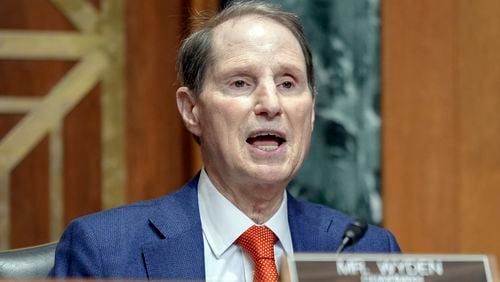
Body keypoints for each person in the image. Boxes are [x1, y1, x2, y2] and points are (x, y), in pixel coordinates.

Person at [50, 1, 400, 280]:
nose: (271, 104)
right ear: (192, 110)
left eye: (288, 84)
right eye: (240, 83)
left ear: (310, 111)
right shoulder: (104, 252)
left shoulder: (365, 251)